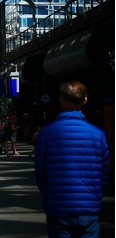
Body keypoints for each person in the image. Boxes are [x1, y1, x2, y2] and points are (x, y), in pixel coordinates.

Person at [35, 81, 110, 238]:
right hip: (89, 207)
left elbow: (40, 173)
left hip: (58, 208)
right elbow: (104, 173)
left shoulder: (46, 134)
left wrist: (50, 193)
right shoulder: (99, 135)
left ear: (61, 100)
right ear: (85, 101)